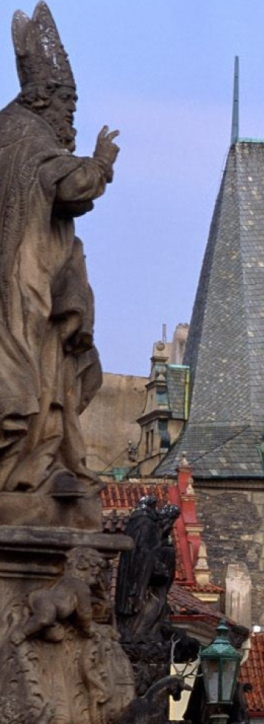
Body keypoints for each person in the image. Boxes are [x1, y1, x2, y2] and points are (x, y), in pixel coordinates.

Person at [0, 3, 119, 498]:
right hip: (24, 285)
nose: (71, 116)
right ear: (44, 98)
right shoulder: (26, 134)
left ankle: (39, 464)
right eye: (68, 106)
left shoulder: (11, 132)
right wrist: (101, 163)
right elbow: (69, 188)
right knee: (35, 372)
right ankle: (27, 470)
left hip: (33, 280)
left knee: (55, 373)